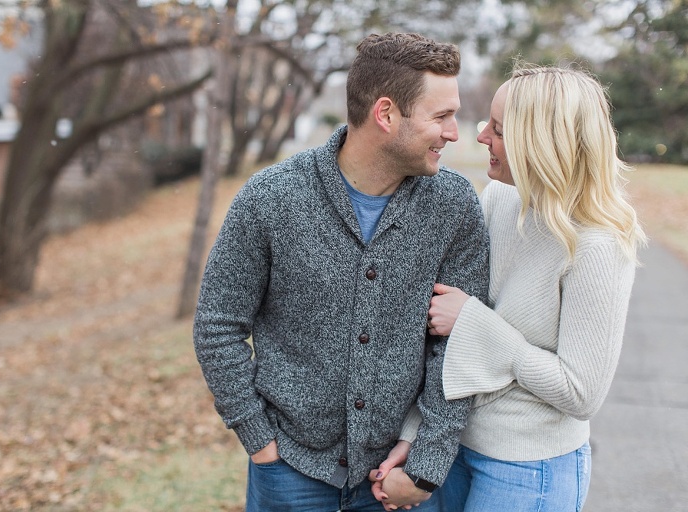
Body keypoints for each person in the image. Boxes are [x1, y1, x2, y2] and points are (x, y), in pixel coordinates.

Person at [192, 32, 490, 511]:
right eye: (441, 116)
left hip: (398, 477)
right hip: (289, 470)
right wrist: (256, 436)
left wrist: (427, 461)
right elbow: (217, 324)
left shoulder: (454, 207)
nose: (455, 133)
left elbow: (458, 347)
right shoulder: (271, 198)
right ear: (386, 114)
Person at [370, 64, 647, 511]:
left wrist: (475, 323)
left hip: (530, 469)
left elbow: (582, 393)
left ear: (541, 144)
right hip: (457, 449)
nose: (480, 138)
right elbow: (446, 340)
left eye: (498, 129)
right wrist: (417, 433)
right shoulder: (501, 197)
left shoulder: (597, 245)